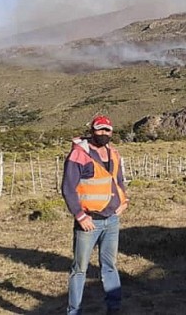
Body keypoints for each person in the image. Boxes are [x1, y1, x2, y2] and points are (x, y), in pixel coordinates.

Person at [62, 115, 129, 315]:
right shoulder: (79, 154)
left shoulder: (114, 153)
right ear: (92, 130)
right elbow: (68, 188)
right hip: (88, 222)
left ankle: (114, 308)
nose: (103, 133)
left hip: (111, 221)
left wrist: (123, 201)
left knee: (109, 266)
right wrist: (80, 216)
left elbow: (119, 180)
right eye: (99, 129)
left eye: (107, 130)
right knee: (79, 269)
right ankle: (74, 311)